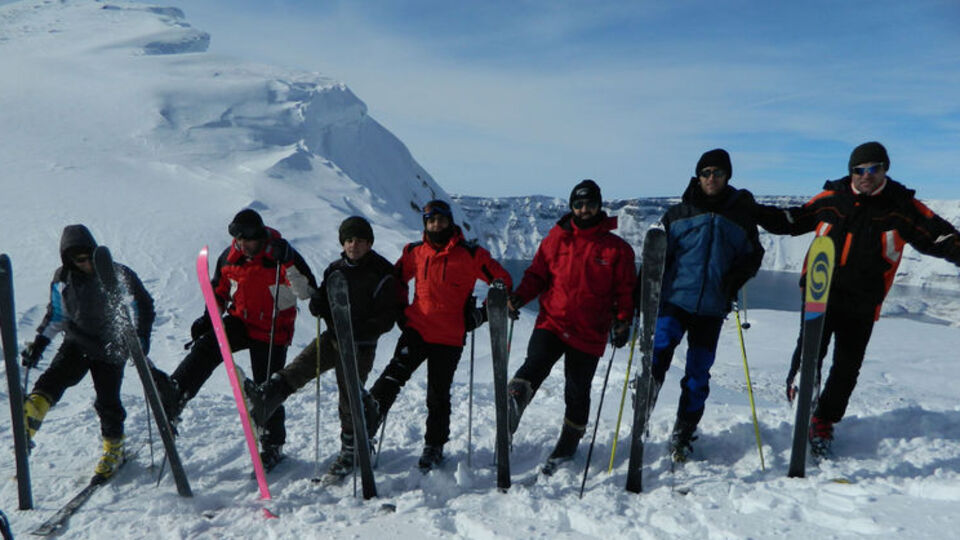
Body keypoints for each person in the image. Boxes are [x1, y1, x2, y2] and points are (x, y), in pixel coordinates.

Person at [755, 141, 960, 457]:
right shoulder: (832, 198)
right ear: (850, 171)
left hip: (864, 301)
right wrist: (750, 211)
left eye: (873, 168)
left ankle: (824, 420)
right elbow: (791, 221)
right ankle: (800, 398)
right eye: (859, 169)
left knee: (847, 368)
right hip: (820, 296)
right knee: (809, 352)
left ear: (884, 169)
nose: (866, 175)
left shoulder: (901, 207)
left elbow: (940, 237)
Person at [157, 209, 317, 470]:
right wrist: (209, 317)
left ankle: (272, 444)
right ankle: (176, 393)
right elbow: (219, 292)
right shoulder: (230, 257)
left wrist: (288, 263)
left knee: (267, 387)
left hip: (273, 329)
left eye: (248, 240)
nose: (243, 245)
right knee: (208, 345)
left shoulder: (280, 254)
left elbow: (307, 291)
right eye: (239, 240)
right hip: (241, 321)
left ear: (261, 236)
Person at [244, 216, 400, 480]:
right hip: (334, 337)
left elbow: (387, 316)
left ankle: (351, 448)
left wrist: (361, 330)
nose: (354, 246)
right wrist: (319, 305)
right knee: (301, 366)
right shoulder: (335, 270)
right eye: (350, 240)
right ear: (343, 243)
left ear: (370, 243)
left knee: (348, 396)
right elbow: (327, 303)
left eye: (360, 241)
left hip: (361, 345)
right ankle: (266, 396)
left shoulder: (382, 272)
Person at [366, 199, 513, 471]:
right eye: (431, 220)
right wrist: (400, 309)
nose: (436, 225)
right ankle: (364, 429)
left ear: (450, 221)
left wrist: (480, 314)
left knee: (437, 395)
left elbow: (502, 282)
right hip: (417, 329)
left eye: (441, 220)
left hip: (449, 337)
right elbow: (397, 279)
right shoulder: (414, 252)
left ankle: (434, 446)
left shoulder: (471, 255)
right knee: (391, 377)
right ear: (425, 223)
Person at [506, 179, 636, 474]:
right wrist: (519, 297)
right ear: (571, 206)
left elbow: (625, 291)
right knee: (535, 362)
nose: (584, 209)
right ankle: (514, 400)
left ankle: (568, 442)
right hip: (553, 320)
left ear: (599, 205)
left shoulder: (618, 249)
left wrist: (622, 320)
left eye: (590, 203)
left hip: (589, 331)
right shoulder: (556, 238)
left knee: (577, 390)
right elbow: (537, 274)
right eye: (578, 203)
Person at [649, 150, 764, 463]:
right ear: (697, 176)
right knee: (658, 351)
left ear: (727, 176)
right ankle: (644, 399)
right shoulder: (678, 214)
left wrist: (736, 278)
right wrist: (641, 295)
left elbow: (754, 254)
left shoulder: (739, 217)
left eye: (718, 172)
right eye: (706, 172)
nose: (711, 178)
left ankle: (683, 432)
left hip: (712, 308)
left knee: (698, 374)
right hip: (675, 301)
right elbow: (656, 255)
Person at [20, 224, 156, 480]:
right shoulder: (63, 278)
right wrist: (39, 344)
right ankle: (27, 425)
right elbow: (57, 315)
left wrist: (141, 338)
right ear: (68, 260)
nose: (85, 264)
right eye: (78, 260)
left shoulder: (117, 273)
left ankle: (114, 447)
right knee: (49, 383)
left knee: (107, 401)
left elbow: (143, 306)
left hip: (111, 345)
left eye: (88, 258)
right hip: (77, 342)